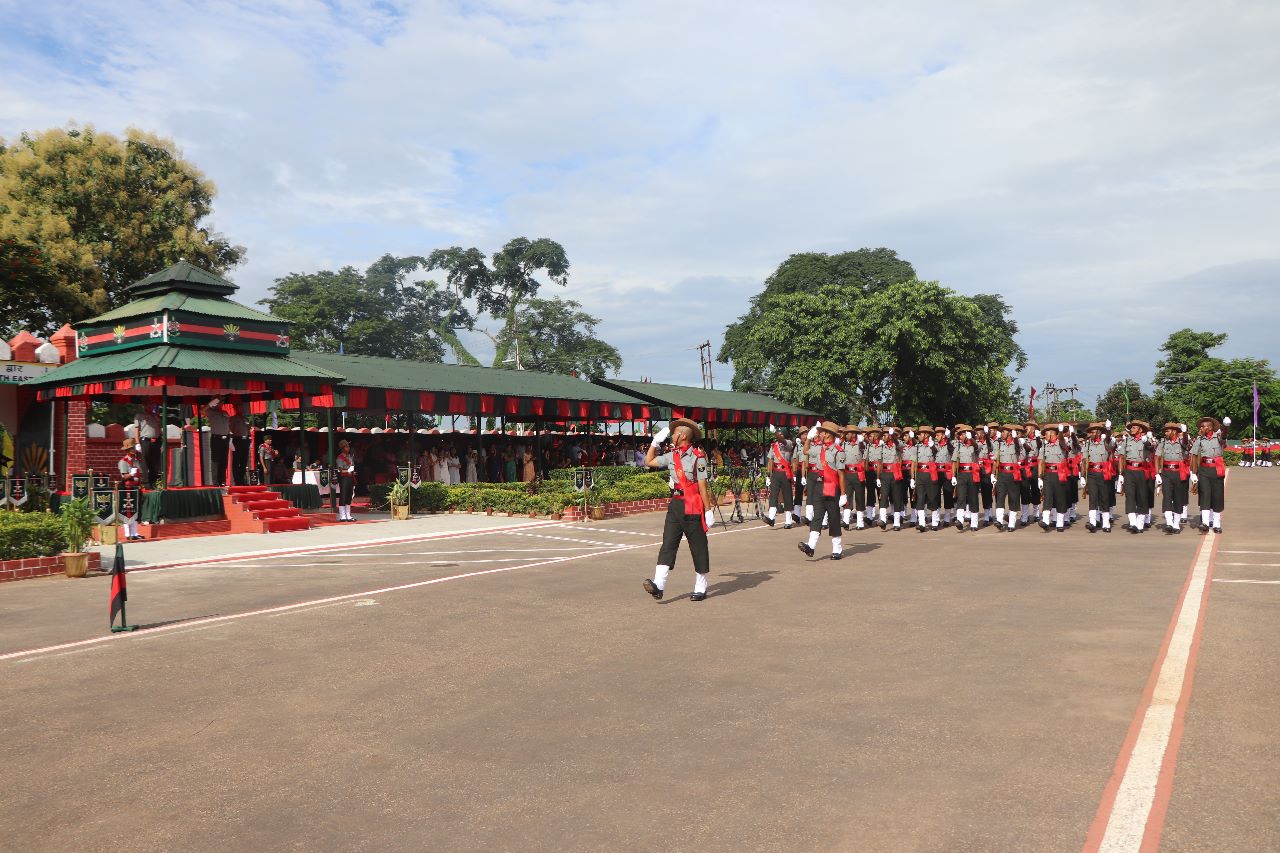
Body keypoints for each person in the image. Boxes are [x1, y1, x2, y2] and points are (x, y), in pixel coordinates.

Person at [641, 419, 716, 602]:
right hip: (675, 504)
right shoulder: (671, 455)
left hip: (693, 504)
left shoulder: (698, 457)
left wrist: (708, 511)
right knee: (668, 543)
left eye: (674, 433)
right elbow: (648, 461)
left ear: (682, 436)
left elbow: (702, 486)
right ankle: (658, 585)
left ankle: (701, 586)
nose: (671, 436)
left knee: (698, 546)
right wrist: (654, 443)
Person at [798, 421, 847, 559]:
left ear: (828, 434)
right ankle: (811, 546)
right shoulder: (820, 448)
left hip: (832, 487)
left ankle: (837, 548)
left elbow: (841, 474)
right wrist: (808, 438)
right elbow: (805, 451)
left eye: (821, 431)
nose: (819, 434)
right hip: (819, 486)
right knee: (817, 515)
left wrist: (843, 494)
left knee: (834, 517)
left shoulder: (838, 451)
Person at [1189, 415, 1227, 533]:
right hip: (1204, 470)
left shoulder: (1219, 437)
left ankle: (1216, 524)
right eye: (1201, 426)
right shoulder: (1199, 439)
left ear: (1210, 427)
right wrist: (1193, 473)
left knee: (1217, 496)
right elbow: (1194, 455)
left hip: (1217, 470)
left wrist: (1226, 426)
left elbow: (1224, 435)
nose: (1201, 428)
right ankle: (1205, 522)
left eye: (1203, 426)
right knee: (1205, 494)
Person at [1118, 419, 1156, 533]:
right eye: (1131, 427)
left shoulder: (1147, 440)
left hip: (1142, 471)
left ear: (1140, 429)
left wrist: (1146, 442)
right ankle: (1133, 523)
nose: (1132, 429)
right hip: (1129, 471)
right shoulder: (1126, 441)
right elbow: (1121, 457)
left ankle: (1140, 523)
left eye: (1134, 427)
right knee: (1130, 496)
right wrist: (1121, 474)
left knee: (1142, 497)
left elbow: (1152, 448)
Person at [1155, 421, 1190, 534]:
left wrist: (1185, 432)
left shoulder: (1181, 441)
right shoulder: (1163, 442)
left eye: (1168, 430)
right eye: (1165, 430)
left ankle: (1176, 524)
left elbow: (1185, 442)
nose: (1165, 433)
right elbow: (1157, 457)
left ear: (1174, 431)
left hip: (1179, 472)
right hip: (1166, 472)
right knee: (1167, 497)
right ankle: (1169, 522)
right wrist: (1157, 474)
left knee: (1178, 498)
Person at [1083, 421, 1117, 533]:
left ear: (1098, 432)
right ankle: (1092, 522)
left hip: (1103, 473)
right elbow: (1084, 460)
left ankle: (1106, 523)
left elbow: (1108, 439)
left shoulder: (1106, 442)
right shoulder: (1088, 444)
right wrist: (1083, 476)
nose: (1090, 434)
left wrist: (1108, 429)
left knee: (1104, 497)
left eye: (1093, 431)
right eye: (1090, 432)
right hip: (1092, 473)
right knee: (1093, 497)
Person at [990, 423, 1024, 532]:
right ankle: (999, 521)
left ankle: (1012, 523)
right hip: (1001, 474)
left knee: (1013, 499)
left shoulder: (1017, 444)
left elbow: (1022, 455)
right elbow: (995, 461)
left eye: (1004, 431)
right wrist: (993, 474)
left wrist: (1017, 440)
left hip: (1013, 474)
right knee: (1000, 497)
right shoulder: (1000, 445)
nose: (1002, 433)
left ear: (1009, 433)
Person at [1037, 424, 1071, 532]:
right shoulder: (1044, 446)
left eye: (1046, 433)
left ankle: (1060, 523)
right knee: (1047, 497)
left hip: (1059, 474)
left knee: (1060, 498)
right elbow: (1041, 462)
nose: (1045, 436)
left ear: (1052, 434)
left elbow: (1062, 442)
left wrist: (1060, 432)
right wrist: (1039, 477)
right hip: (1047, 474)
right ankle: (1045, 521)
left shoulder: (1061, 444)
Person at [762, 425, 795, 529]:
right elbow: (770, 460)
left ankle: (788, 521)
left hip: (785, 472)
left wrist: (775, 432)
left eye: (781, 434)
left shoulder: (788, 443)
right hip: (776, 473)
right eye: (778, 433)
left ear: (784, 435)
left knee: (787, 496)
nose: (779, 435)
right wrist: (768, 475)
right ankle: (771, 519)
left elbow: (781, 440)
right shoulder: (774, 445)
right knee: (773, 495)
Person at [951, 424, 982, 532]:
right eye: (960, 435)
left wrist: (971, 439)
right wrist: (953, 476)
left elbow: (977, 447)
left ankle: (974, 522)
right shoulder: (959, 446)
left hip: (973, 473)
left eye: (962, 434)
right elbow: (954, 461)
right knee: (961, 497)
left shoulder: (976, 444)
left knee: (973, 497)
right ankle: (959, 520)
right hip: (962, 474)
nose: (960, 437)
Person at [117, 439, 144, 540]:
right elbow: (123, 477)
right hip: (128, 488)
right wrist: (132, 475)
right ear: (127, 450)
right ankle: (128, 534)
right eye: (131, 448)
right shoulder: (123, 461)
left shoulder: (136, 460)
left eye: (133, 448)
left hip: (136, 487)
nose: (133, 450)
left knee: (136, 510)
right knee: (127, 510)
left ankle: (135, 533)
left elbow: (141, 470)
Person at [204, 397, 231, 487]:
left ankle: (222, 481)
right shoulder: (211, 411)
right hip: (216, 438)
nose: (221, 403)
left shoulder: (225, 413)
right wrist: (213, 401)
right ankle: (215, 482)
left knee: (224, 460)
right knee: (216, 460)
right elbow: (202, 411)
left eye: (222, 402)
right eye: (220, 402)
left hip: (226, 438)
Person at [135, 405, 162, 487]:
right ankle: (146, 482)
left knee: (155, 462)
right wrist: (137, 442)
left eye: (151, 405)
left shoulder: (156, 416)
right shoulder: (139, 416)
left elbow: (160, 428)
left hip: (156, 440)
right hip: (145, 440)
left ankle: (153, 482)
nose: (150, 407)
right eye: (148, 404)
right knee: (145, 461)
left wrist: (157, 418)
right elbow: (136, 430)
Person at [335, 439, 356, 521]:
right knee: (343, 495)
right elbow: (340, 470)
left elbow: (352, 466)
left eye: (348, 446)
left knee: (349, 495)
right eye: (347, 446)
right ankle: (342, 515)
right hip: (343, 478)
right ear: (343, 448)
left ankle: (348, 515)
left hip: (350, 477)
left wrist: (352, 471)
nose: (348, 448)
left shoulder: (350, 457)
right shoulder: (340, 458)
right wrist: (348, 471)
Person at [229, 408, 249, 485]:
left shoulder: (245, 418)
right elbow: (230, 429)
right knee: (236, 461)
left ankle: (242, 480)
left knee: (244, 461)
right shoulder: (233, 418)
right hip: (237, 439)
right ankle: (237, 481)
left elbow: (248, 428)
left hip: (245, 440)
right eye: (240, 407)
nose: (242, 410)